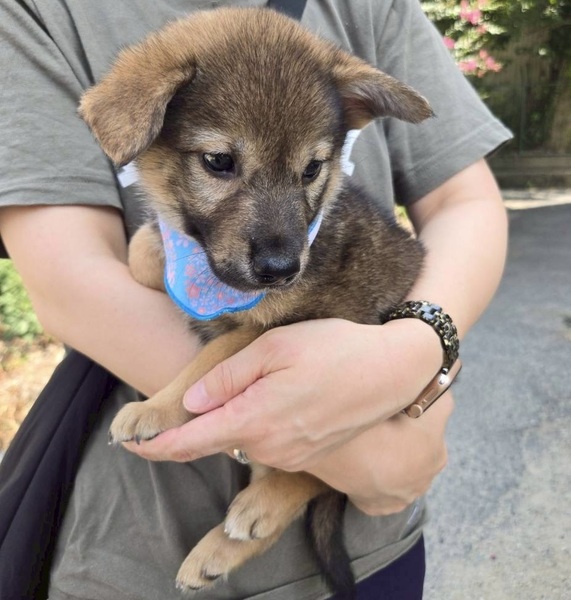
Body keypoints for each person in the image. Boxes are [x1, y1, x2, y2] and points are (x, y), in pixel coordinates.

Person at [0, 0, 511, 598]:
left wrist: (417, 346)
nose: (278, 255)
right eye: (220, 163)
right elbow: (69, 283)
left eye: (310, 170)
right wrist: (361, 456)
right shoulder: (39, 13)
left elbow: (464, 203)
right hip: (138, 551)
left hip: (380, 540)